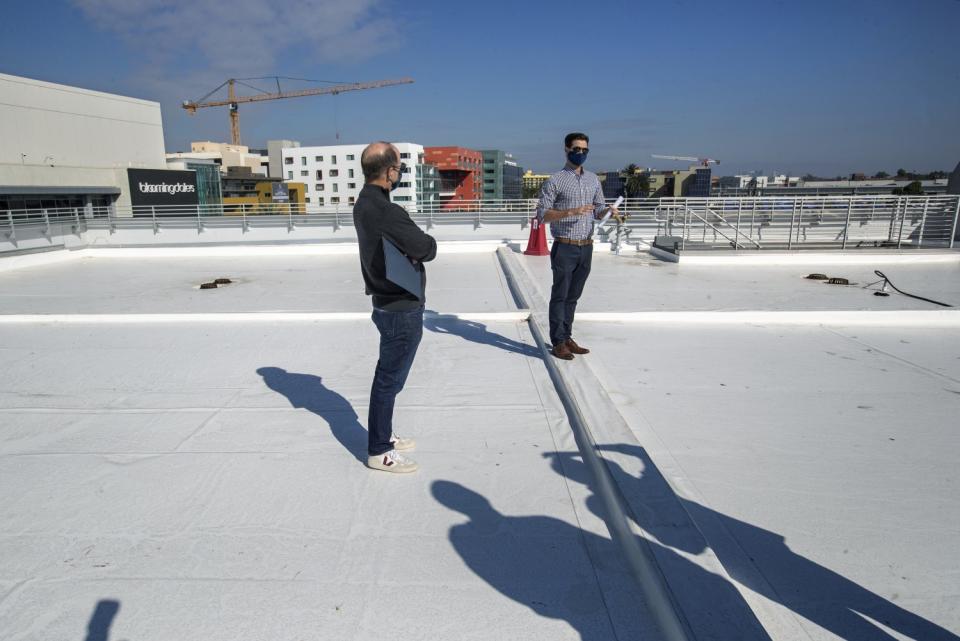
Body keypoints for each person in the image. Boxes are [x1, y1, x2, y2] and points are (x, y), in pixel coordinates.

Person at [354, 142, 437, 473]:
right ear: (389, 172)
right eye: (399, 168)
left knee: (388, 376)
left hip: (385, 302)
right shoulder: (388, 211)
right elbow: (426, 247)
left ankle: (383, 433)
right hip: (401, 306)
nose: (399, 174)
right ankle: (379, 450)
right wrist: (420, 248)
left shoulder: (364, 203)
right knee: (389, 379)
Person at [536, 132, 620, 360]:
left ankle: (567, 336)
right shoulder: (555, 181)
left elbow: (598, 208)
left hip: (586, 246)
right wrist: (570, 211)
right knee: (560, 295)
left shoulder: (593, 179)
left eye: (584, 150)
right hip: (565, 246)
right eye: (576, 149)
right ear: (566, 149)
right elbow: (542, 215)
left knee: (573, 296)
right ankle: (558, 342)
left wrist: (608, 211)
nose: (580, 153)